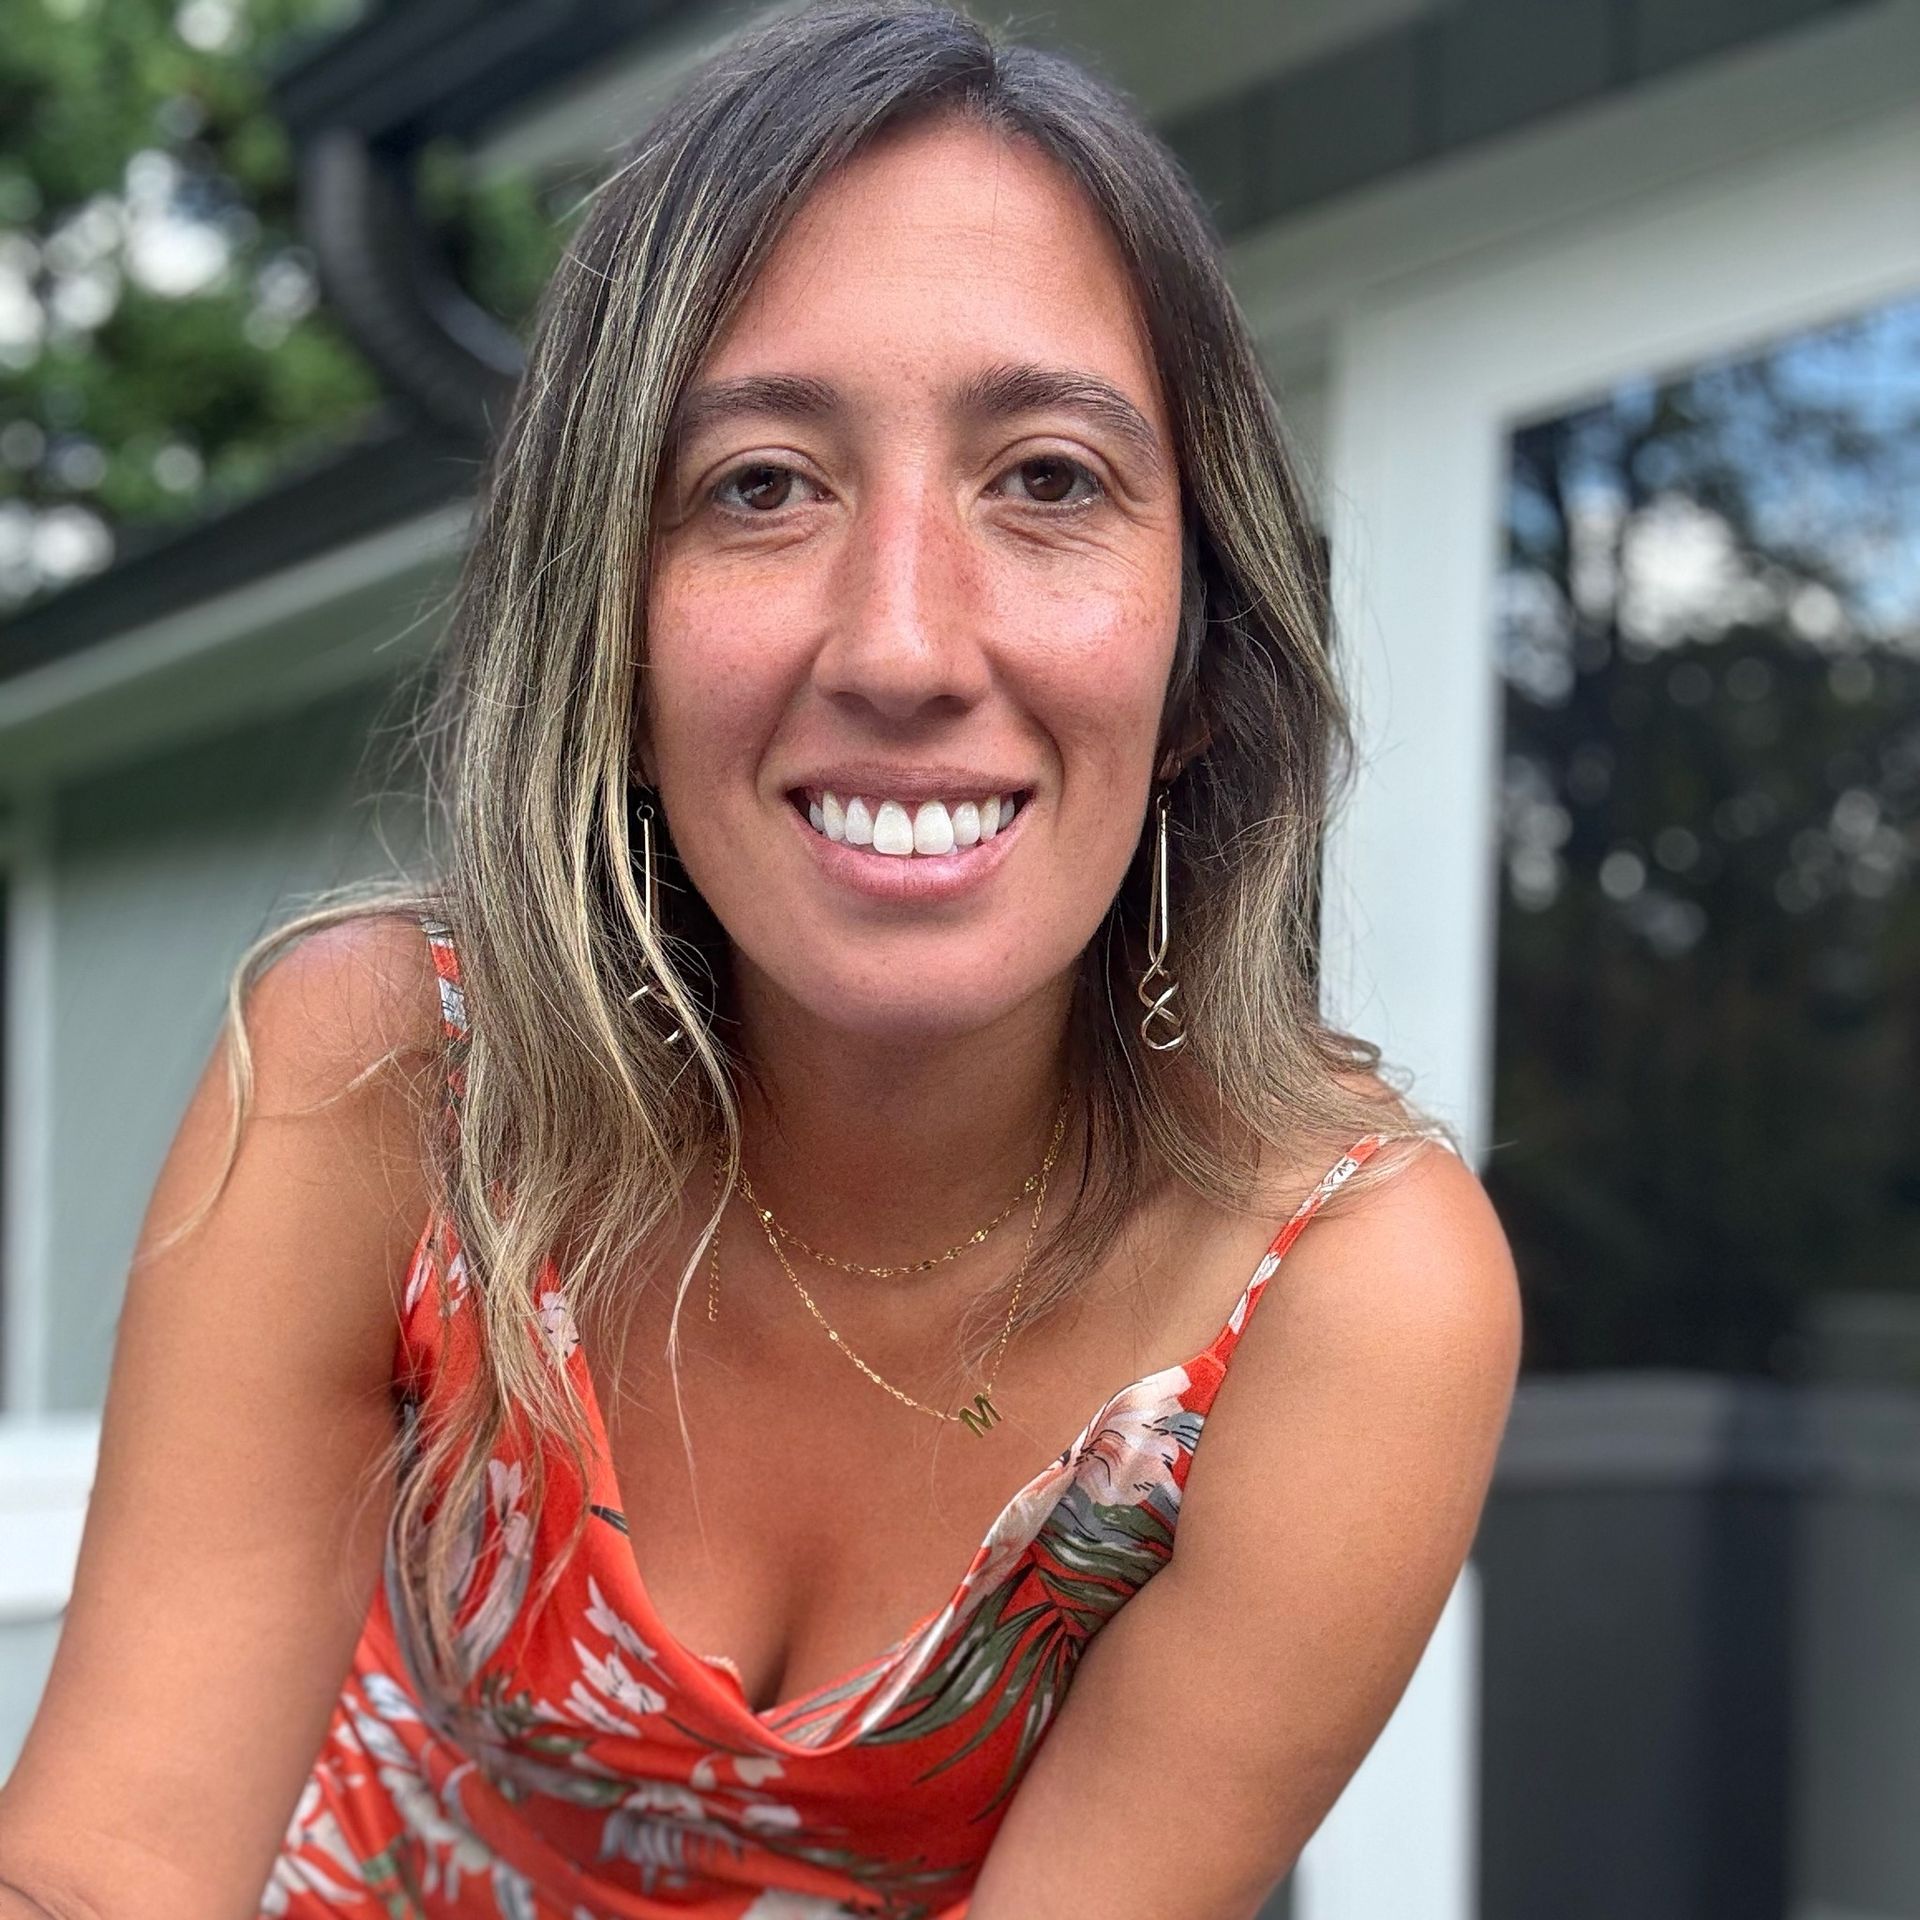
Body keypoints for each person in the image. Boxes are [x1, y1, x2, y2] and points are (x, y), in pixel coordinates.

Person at [0, 3, 1522, 1916]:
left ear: (1201, 659)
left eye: (1049, 479)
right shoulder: (391, 1078)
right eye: (761, 485)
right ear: (608, 646)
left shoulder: (1342, 1301)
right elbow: (106, 1866)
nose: (902, 646)